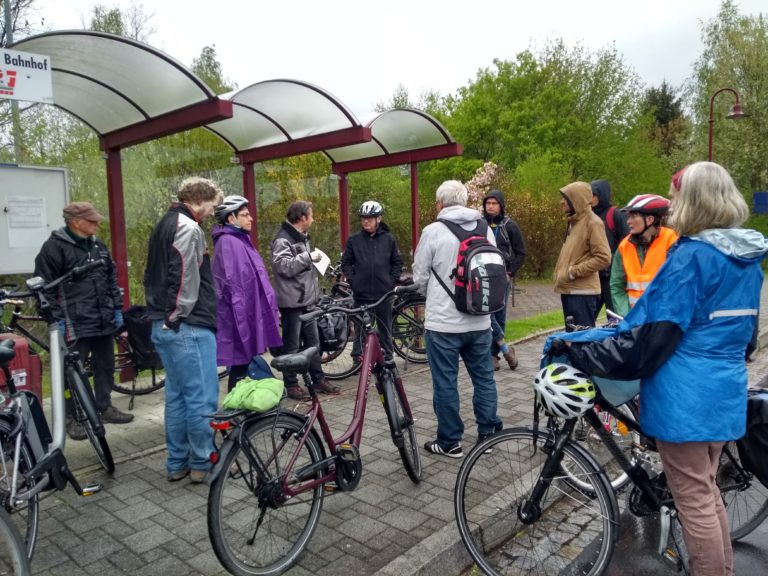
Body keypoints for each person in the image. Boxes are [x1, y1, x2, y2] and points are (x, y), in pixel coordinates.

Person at [560, 162, 768, 576]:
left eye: (676, 197)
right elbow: (747, 337)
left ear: (694, 201)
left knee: (693, 498)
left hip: (685, 397)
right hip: (723, 391)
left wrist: (581, 353)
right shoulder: (746, 259)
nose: (672, 205)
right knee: (706, 492)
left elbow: (648, 342)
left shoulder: (692, 257)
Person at [412, 180, 503, 458]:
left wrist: (433, 294)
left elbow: (420, 278)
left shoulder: (432, 231)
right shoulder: (485, 228)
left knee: (446, 383)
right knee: (484, 379)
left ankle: (450, 441)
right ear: (465, 201)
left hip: (443, 325)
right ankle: (488, 435)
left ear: (440, 203)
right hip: (480, 321)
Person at [34, 201, 134, 441]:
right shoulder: (53, 249)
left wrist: (116, 309)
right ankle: (72, 417)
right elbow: (43, 288)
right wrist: (55, 321)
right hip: (73, 322)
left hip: (102, 319)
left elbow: (110, 278)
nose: (98, 224)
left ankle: (104, 406)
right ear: (75, 222)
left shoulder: (97, 245)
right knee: (72, 372)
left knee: (105, 365)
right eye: (92, 220)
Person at [144, 177, 221, 484]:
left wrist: (165, 318)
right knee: (201, 397)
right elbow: (185, 277)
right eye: (212, 205)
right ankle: (202, 462)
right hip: (186, 325)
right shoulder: (189, 228)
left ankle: (177, 463)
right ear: (200, 200)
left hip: (162, 323)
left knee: (176, 397)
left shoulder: (163, 224)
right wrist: (176, 316)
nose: (212, 212)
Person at [212, 195, 282, 391]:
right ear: (230, 219)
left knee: (243, 362)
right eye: (244, 215)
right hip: (239, 316)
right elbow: (234, 286)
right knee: (240, 364)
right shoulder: (229, 243)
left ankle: (242, 409)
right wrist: (245, 319)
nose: (250, 218)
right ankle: (237, 409)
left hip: (247, 313)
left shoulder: (239, 240)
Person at [271, 200, 339, 400]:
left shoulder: (301, 237)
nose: (313, 218)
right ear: (302, 218)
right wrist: (308, 257)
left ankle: (318, 380)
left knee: (314, 342)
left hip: (307, 301)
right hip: (292, 304)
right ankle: (291, 384)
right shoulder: (283, 239)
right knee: (291, 346)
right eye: (311, 215)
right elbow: (283, 266)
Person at [341, 200, 403, 363]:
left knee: (385, 328)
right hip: (362, 294)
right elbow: (346, 263)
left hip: (384, 294)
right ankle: (357, 360)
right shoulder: (354, 240)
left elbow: (397, 262)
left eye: (370, 218)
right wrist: (354, 280)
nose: (366, 221)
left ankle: (387, 357)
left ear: (379, 219)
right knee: (361, 328)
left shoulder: (389, 239)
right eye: (363, 218)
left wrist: (391, 281)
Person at [554, 181, 611, 329]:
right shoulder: (574, 222)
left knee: (581, 342)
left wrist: (574, 272)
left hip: (582, 293)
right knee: (572, 342)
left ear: (576, 200)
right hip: (570, 290)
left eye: (565, 199)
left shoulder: (593, 223)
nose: (562, 202)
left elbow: (604, 257)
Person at [610, 194, 678, 317]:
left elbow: (677, 284)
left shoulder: (672, 242)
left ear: (650, 220)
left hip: (663, 319)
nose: (628, 221)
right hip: (634, 320)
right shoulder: (624, 246)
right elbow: (616, 286)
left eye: (633, 216)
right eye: (629, 216)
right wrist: (627, 317)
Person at [482, 190, 525, 371]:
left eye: (494, 203)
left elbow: (521, 253)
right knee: (487, 314)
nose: (490, 206)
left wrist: (510, 272)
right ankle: (506, 348)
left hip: (501, 277)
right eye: (488, 203)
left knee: (499, 316)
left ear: (501, 205)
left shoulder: (510, 226)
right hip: (483, 276)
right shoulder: (479, 224)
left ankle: (493, 355)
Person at [590, 180, 629, 318]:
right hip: (593, 274)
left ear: (602, 195)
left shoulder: (615, 214)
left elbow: (626, 242)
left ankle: (616, 339)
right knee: (587, 317)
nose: (591, 198)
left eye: (594, 194)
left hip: (610, 275)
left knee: (613, 315)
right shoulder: (589, 215)